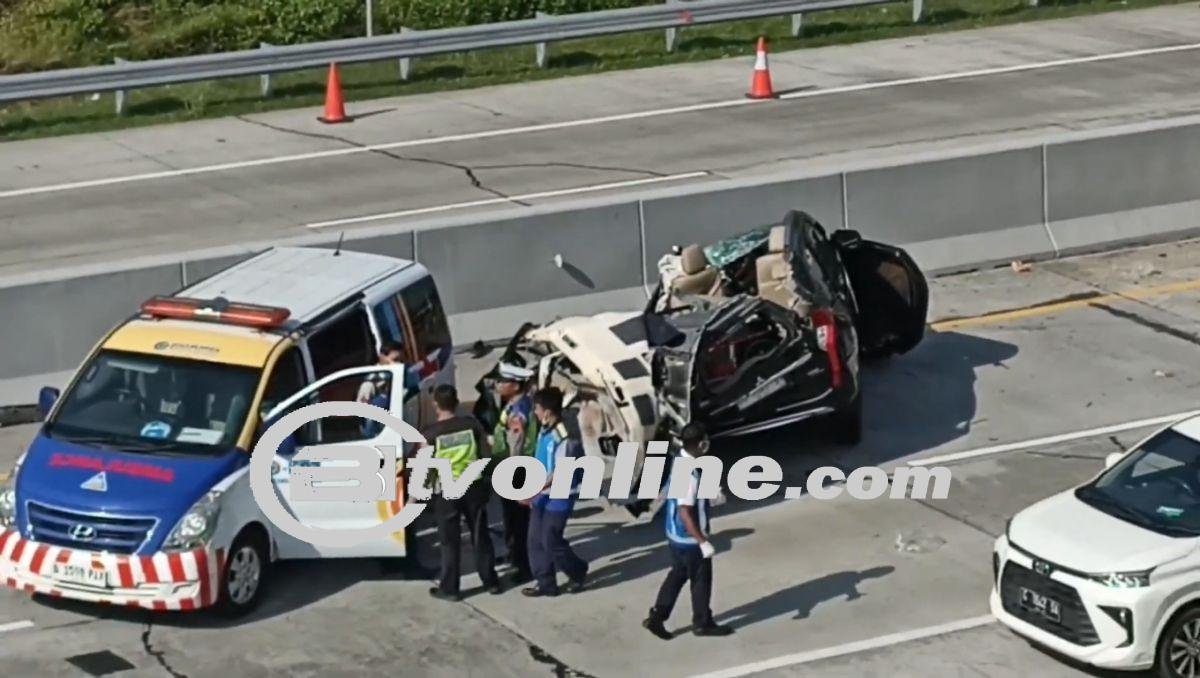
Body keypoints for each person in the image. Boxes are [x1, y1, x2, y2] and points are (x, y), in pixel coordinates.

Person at [643, 422, 734, 640]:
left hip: (674, 535)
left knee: (677, 574)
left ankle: (657, 615)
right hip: (689, 540)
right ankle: (702, 623)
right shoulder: (690, 473)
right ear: (702, 444)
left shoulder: (679, 461)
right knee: (701, 580)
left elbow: (669, 491)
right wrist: (702, 541)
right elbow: (685, 511)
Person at [420, 384, 503, 601]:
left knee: (449, 541)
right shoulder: (472, 425)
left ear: (436, 404)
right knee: (480, 535)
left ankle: (450, 588)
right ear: (456, 402)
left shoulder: (429, 434)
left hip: (447, 492)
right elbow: (486, 454)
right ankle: (491, 582)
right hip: (473, 487)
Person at [521, 386, 589, 598]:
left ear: (548, 411)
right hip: (542, 492)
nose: (535, 412)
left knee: (550, 539)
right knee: (534, 539)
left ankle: (577, 570)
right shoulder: (544, 429)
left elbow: (560, 471)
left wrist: (534, 490)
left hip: (559, 493)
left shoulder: (564, 437)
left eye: (537, 408)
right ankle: (546, 583)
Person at [490, 362, 538, 585]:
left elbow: (515, 445)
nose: (498, 385)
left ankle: (524, 566)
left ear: (515, 385)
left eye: (502, 382)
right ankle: (513, 555)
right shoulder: (514, 404)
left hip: (515, 470)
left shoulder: (519, 411)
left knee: (519, 522)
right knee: (511, 520)